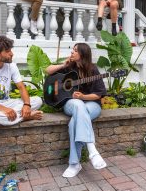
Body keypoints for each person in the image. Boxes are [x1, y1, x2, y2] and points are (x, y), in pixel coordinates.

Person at [45, 43, 107, 177]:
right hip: (71, 104)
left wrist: (84, 96)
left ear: (82, 54)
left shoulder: (93, 70)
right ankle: (92, 150)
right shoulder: (69, 68)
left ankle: (74, 164)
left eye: (75, 51)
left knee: (74, 122)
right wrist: (63, 65)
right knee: (78, 105)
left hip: (92, 104)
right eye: (72, 50)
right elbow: (48, 70)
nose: (72, 52)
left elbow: (99, 94)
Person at [0, 36, 43, 126]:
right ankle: (24, 117)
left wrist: (27, 105)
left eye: (10, 50)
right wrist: (4, 109)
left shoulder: (12, 66)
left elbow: (21, 87)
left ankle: (14, 116)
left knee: (38, 100)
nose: (11, 54)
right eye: (7, 51)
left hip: (8, 102)